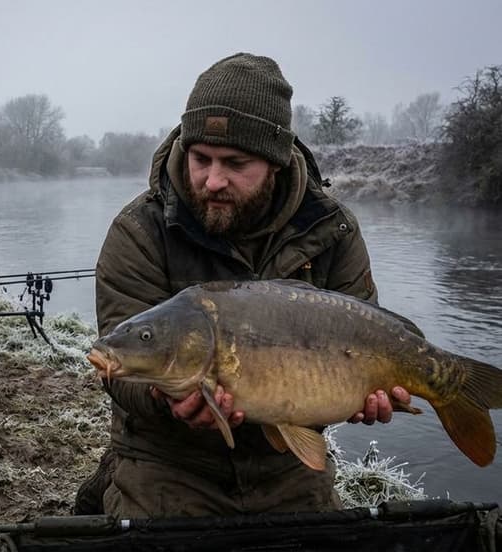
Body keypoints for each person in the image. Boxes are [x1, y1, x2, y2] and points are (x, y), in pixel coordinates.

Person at [76, 52, 413, 518]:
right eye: (201, 158)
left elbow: (361, 343)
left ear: (274, 163)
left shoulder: (331, 229)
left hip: (287, 465)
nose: (213, 180)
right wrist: (161, 397)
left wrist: (360, 396)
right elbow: (120, 365)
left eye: (235, 163)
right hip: (166, 460)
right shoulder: (139, 230)